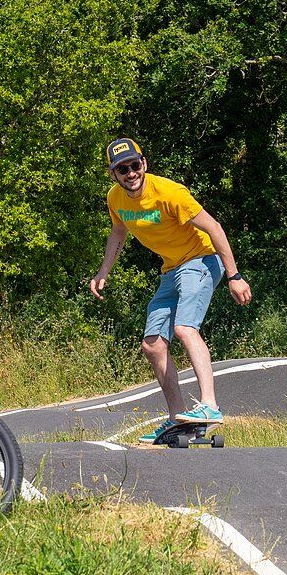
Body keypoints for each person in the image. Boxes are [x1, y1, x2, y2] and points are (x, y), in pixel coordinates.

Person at [89, 138, 253, 443]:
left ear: (144, 164)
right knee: (152, 344)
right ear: (113, 174)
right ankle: (177, 418)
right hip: (171, 269)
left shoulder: (170, 193)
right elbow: (118, 232)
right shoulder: (116, 199)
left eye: (134, 165)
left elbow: (214, 227)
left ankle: (211, 407)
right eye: (122, 169)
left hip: (202, 260)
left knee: (184, 328)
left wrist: (234, 275)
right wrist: (103, 272)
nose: (130, 173)